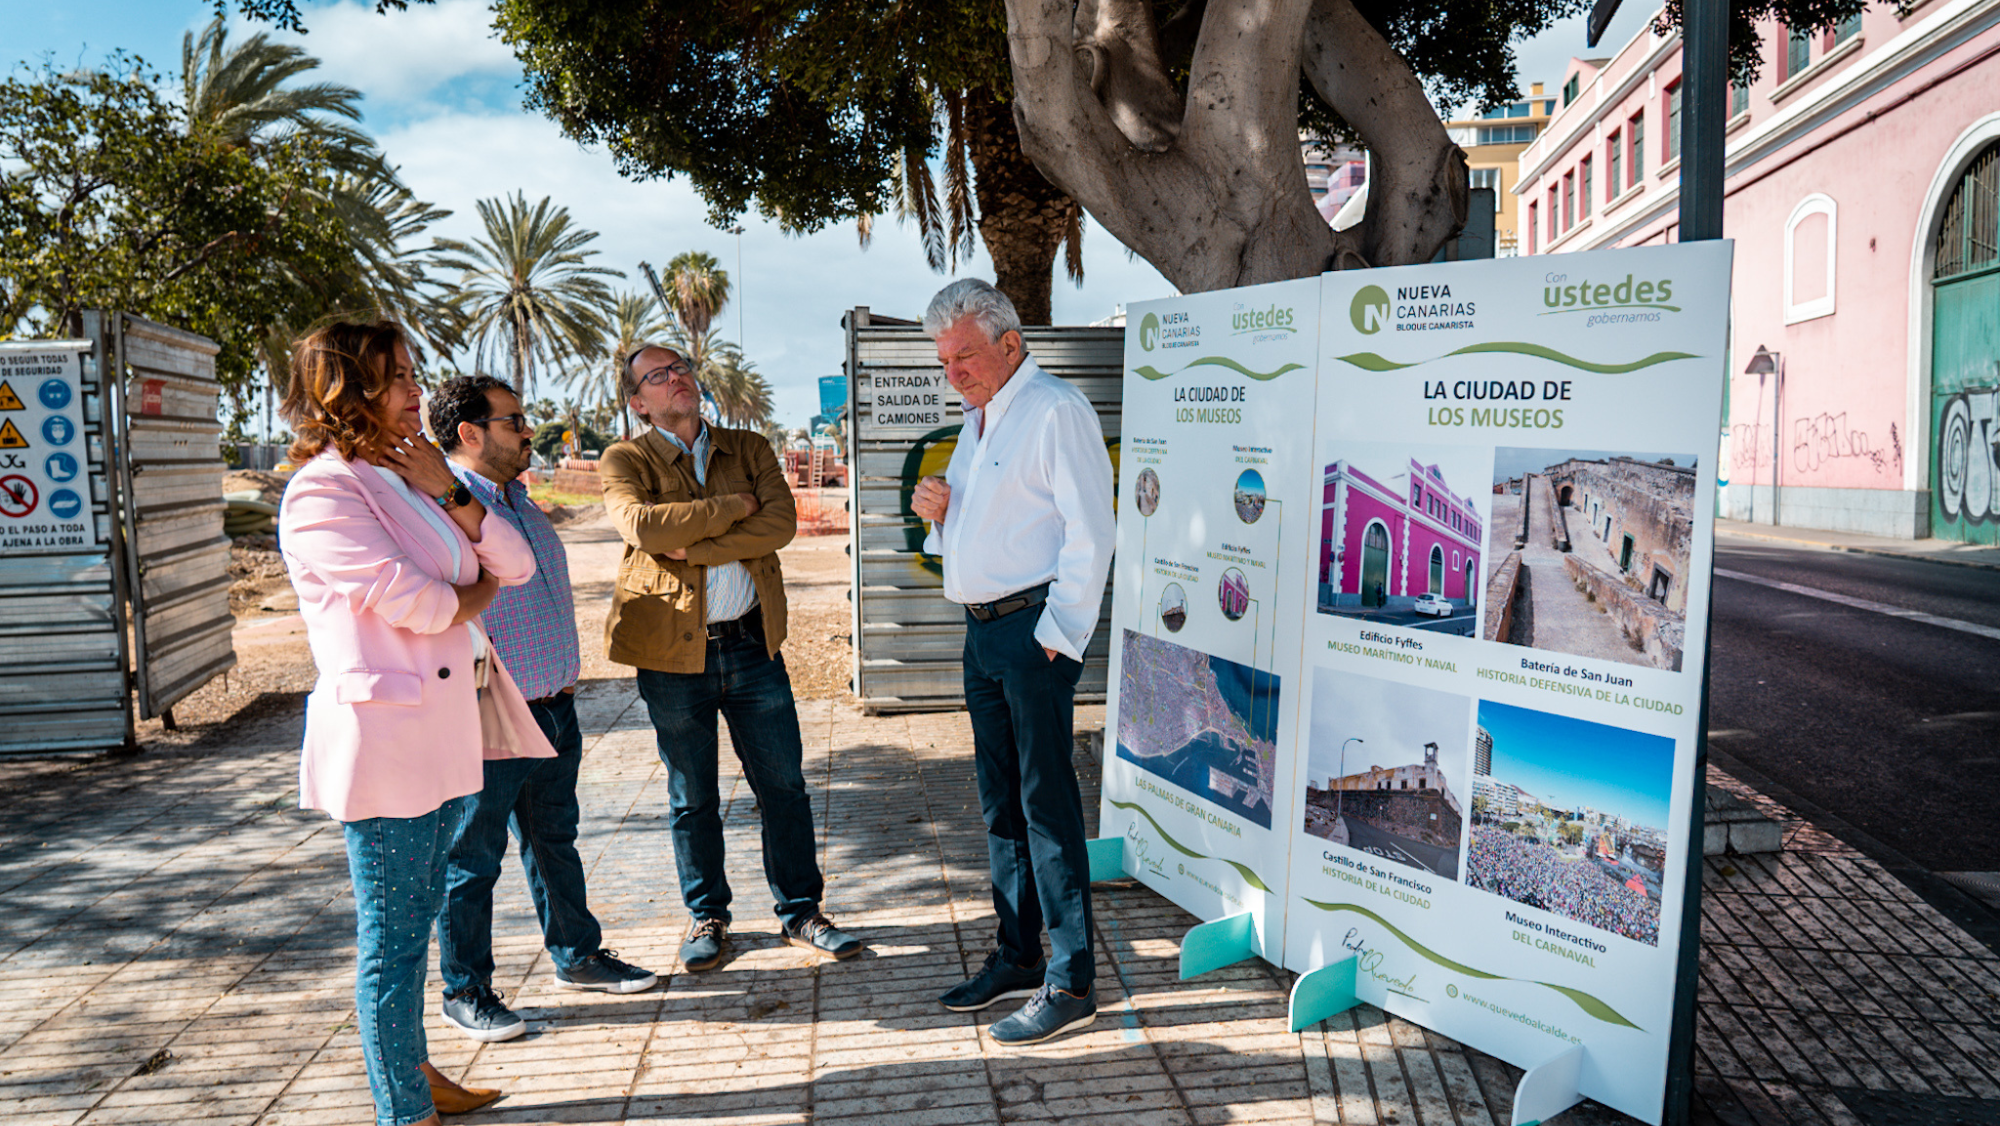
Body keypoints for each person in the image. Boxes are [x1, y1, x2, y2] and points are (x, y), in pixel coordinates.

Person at [278, 322, 554, 1125]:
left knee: (416, 917)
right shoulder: (323, 491)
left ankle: (415, 1073)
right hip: (387, 744)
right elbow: (424, 602)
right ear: (346, 389)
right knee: (392, 941)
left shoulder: (406, 478)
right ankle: (403, 1108)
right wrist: (473, 597)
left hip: (441, 734)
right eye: (394, 376)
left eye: (410, 371)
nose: (414, 390)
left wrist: (450, 490)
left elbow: (518, 564)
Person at [600, 344, 861, 972]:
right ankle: (708, 916)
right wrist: (732, 509)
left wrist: (698, 542)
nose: (677, 379)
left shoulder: (748, 448)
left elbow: (779, 527)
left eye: (681, 368)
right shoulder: (624, 458)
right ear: (638, 402)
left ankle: (801, 910)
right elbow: (646, 529)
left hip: (750, 644)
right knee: (693, 796)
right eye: (658, 377)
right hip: (670, 655)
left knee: (785, 786)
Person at [910, 278, 1115, 1046]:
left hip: (1033, 633)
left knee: (1046, 808)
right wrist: (938, 511)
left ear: (1009, 343)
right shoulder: (981, 419)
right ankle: (1019, 955)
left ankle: (1072, 981)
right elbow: (973, 527)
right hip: (983, 633)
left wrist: (1058, 637)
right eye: (944, 359)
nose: (954, 370)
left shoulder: (1055, 410)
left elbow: (1092, 531)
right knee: (1000, 805)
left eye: (964, 353)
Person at [425, 374, 658, 1044]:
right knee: (474, 859)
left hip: (555, 706)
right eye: (513, 420)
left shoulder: (520, 501)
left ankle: (576, 955)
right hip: (489, 712)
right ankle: (464, 989)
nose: (529, 429)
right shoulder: (448, 510)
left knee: (555, 840)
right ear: (470, 433)